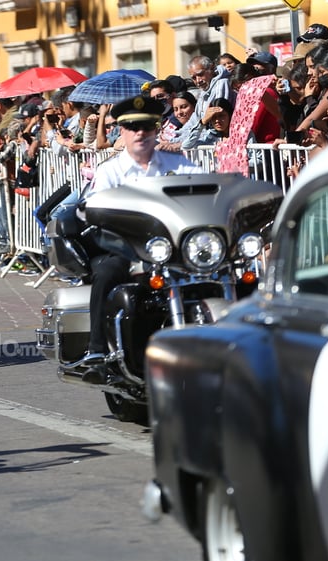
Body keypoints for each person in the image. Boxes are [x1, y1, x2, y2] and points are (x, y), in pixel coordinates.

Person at [79, 96, 203, 385]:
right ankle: (97, 351)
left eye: (147, 126)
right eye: (133, 127)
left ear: (157, 128)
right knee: (107, 272)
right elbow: (91, 209)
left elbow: (206, 187)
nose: (140, 133)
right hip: (128, 247)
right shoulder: (110, 171)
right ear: (121, 131)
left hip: (174, 248)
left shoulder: (178, 164)